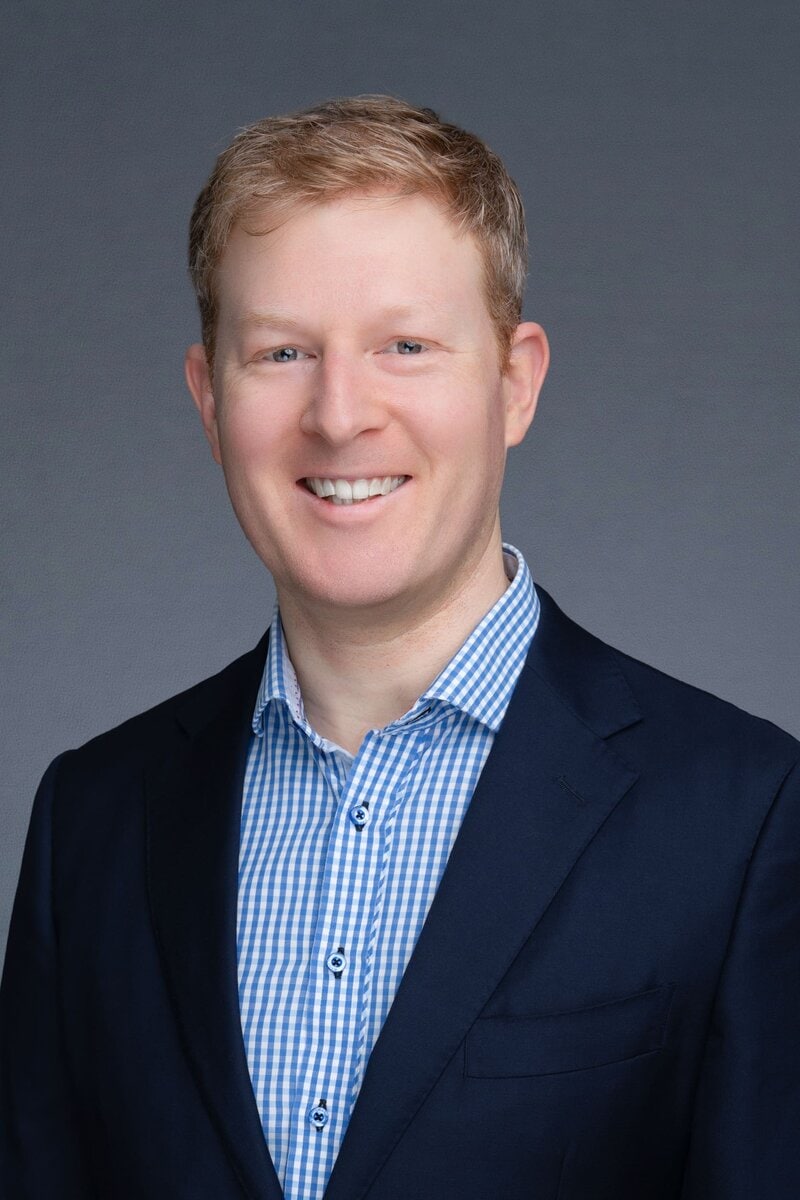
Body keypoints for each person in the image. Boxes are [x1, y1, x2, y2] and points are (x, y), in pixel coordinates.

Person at [1, 95, 798, 1200]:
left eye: (404, 345)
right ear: (206, 395)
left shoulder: (743, 814)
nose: (338, 414)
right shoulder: (90, 819)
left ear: (513, 383)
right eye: (280, 351)